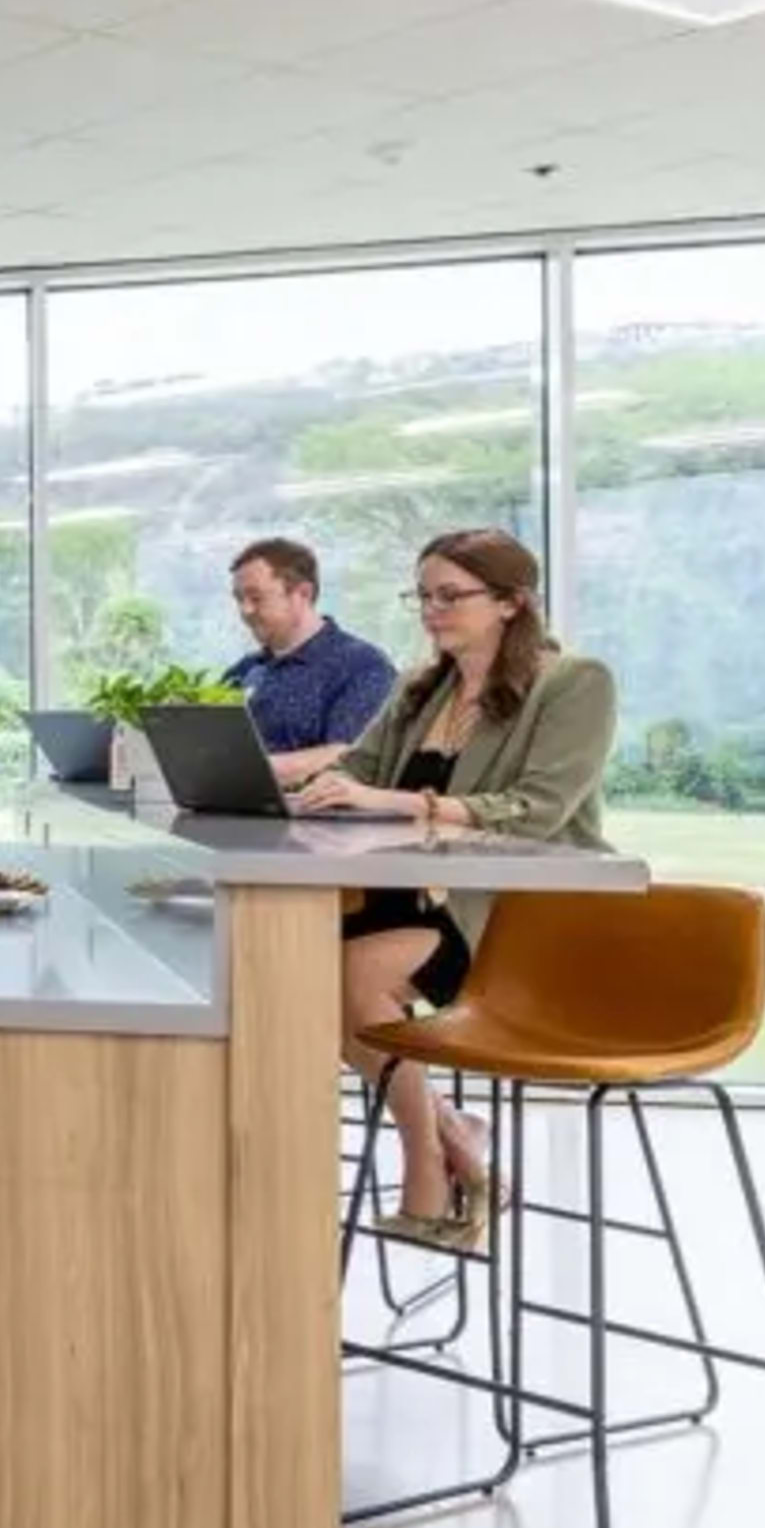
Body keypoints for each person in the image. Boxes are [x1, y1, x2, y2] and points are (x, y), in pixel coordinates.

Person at [289, 527, 618, 1252]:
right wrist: (309, 795)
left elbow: (539, 810)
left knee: (351, 975)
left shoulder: (574, 685)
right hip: (410, 901)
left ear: (511, 602)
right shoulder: (421, 688)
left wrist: (404, 804)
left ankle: (427, 1172)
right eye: (423, 596)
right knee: (295, 971)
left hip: (517, 919)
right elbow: (360, 772)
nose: (432, 611)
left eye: (450, 596)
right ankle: (462, 1148)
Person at [222, 536, 396, 783]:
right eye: (238, 599)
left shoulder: (363, 667)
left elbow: (350, 755)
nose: (245, 611)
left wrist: (243, 771)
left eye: (256, 597)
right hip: (229, 813)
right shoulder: (244, 670)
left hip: (316, 818)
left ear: (303, 593)